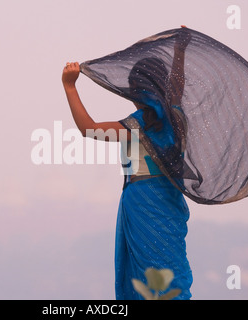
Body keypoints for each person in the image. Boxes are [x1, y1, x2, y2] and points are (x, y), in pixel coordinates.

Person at [62, 27, 192, 299]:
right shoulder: (176, 118)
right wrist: (180, 51)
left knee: (146, 273)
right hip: (169, 201)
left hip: (143, 201)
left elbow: (88, 129)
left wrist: (70, 87)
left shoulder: (136, 126)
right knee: (170, 267)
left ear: (139, 91)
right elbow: (177, 87)